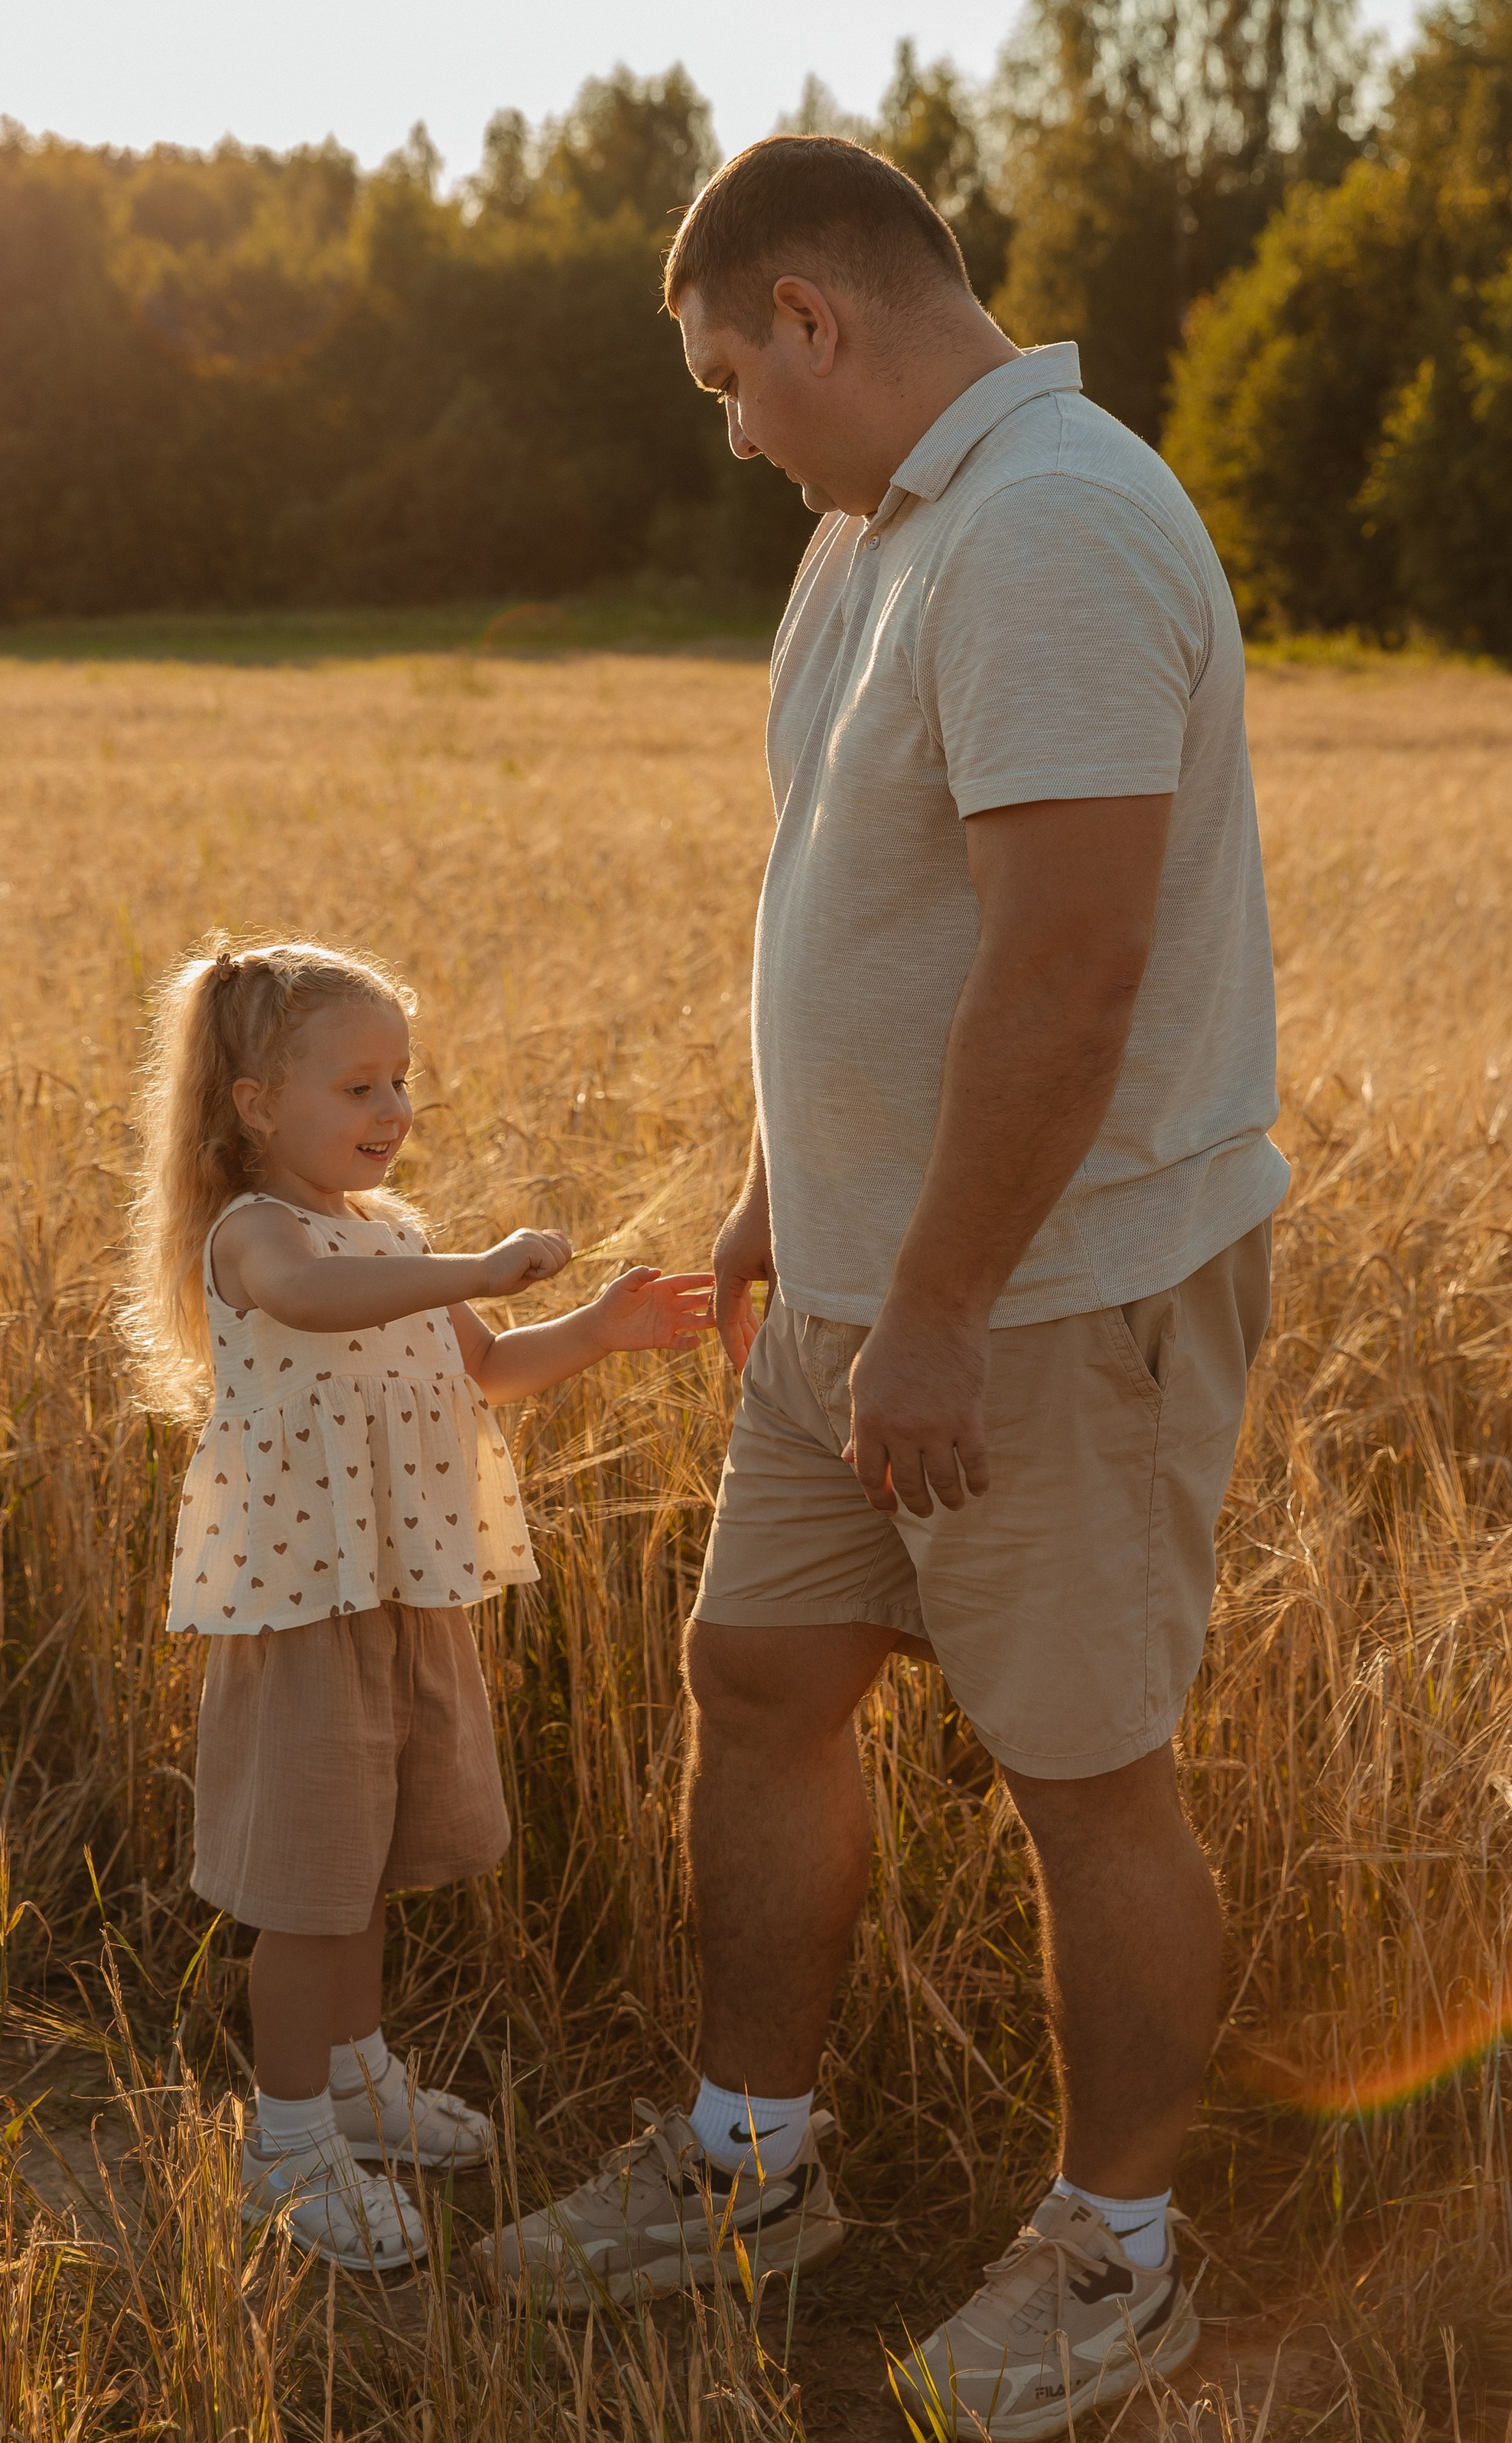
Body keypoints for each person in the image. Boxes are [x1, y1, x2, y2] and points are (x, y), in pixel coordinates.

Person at [483, 136, 1285, 2434]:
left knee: (1080, 1768)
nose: (734, 431)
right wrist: (782, 1191)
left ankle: (1120, 2261)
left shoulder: (1050, 520)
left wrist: (929, 1306)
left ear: (816, 317)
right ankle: (750, 2168)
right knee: (758, 1672)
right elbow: (864, 897)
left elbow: (1070, 967)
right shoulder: (875, 532)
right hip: (865, 1272)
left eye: (734, 376)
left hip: (1042, 1288)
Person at [126, 937, 712, 2275]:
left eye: (402, 1083)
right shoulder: (257, 1236)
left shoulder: (394, 1235)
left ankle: (354, 2079)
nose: (392, 1112)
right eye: (357, 1087)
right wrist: (478, 1267)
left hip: (400, 1584)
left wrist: (598, 1330)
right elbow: (318, 1303)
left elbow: (489, 1372)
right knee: (306, 1886)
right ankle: (283, 2149)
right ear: (257, 1103)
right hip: (303, 1601)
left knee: (365, 1858)